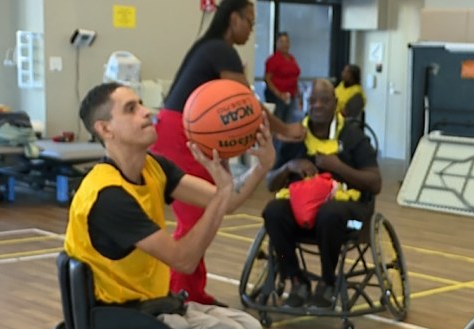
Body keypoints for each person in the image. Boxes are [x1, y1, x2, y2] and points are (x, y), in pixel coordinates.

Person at [67, 82, 276, 329]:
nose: (147, 111)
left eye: (142, 104)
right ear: (105, 129)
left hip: (149, 306)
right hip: (120, 319)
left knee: (248, 327)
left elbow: (223, 202)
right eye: (131, 108)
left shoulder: (152, 167)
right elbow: (183, 259)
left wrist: (260, 167)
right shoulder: (109, 196)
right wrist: (223, 190)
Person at [152, 0, 304, 307]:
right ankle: (183, 295)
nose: (251, 29)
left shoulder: (207, 47)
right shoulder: (221, 50)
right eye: (249, 21)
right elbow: (246, 105)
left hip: (186, 133)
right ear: (233, 18)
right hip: (179, 134)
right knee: (198, 216)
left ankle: (191, 291)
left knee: (210, 211)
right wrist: (285, 130)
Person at [262, 78, 381, 308]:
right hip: (302, 211)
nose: (317, 105)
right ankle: (295, 278)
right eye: (312, 100)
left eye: (324, 100)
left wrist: (339, 167)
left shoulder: (352, 136)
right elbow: (270, 184)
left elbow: (375, 183)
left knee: (329, 213)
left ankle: (327, 281)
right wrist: (288, 167)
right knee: (273, 212)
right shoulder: (296, 135)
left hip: (349, 215)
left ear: (335, 103)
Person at [263, 32, 300, 123]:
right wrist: (279, 94)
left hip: (291, 96)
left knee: (289, 121)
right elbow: (268, 79)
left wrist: (298, 96)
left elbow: (295, 77)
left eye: (286, 41)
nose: (285, 44)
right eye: (282, 41)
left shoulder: (292, 59)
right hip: (277, 97)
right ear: (277, 43)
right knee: (278, 122)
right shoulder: (273, 60)